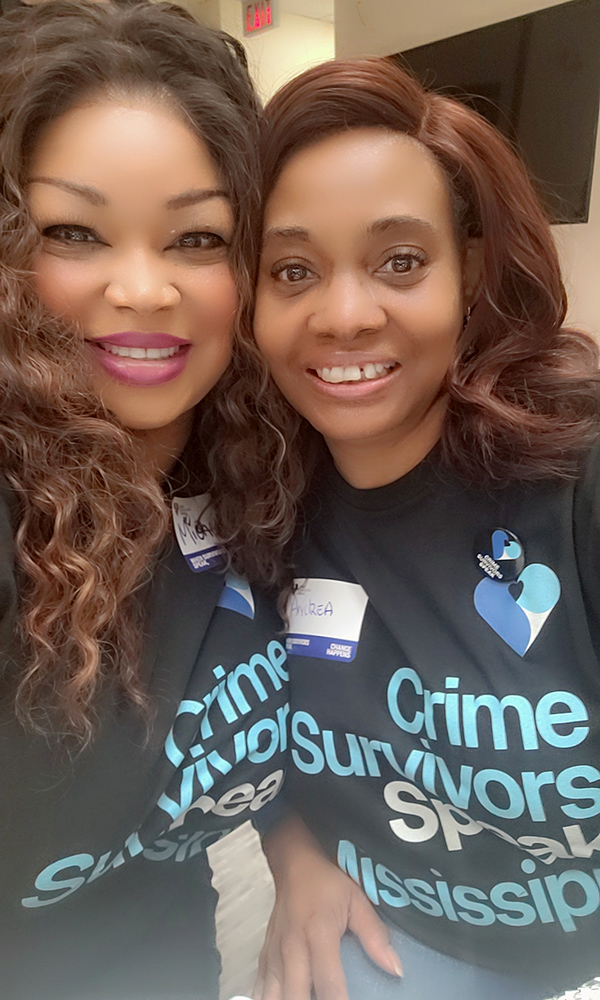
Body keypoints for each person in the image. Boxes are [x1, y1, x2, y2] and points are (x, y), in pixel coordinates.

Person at [252, 57, 600, 1000]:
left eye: (400, 261)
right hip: (391, 939)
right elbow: (227, 727)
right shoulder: (252, 497)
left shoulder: (575, 480)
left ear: (471, 272)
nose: (344, 315)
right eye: (293, 270)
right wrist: (292, 848)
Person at [0, 3, 294, 998]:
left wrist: (302, 840)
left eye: (197, 238)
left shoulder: (263, 468)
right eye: (74, 232)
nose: (142, 290)